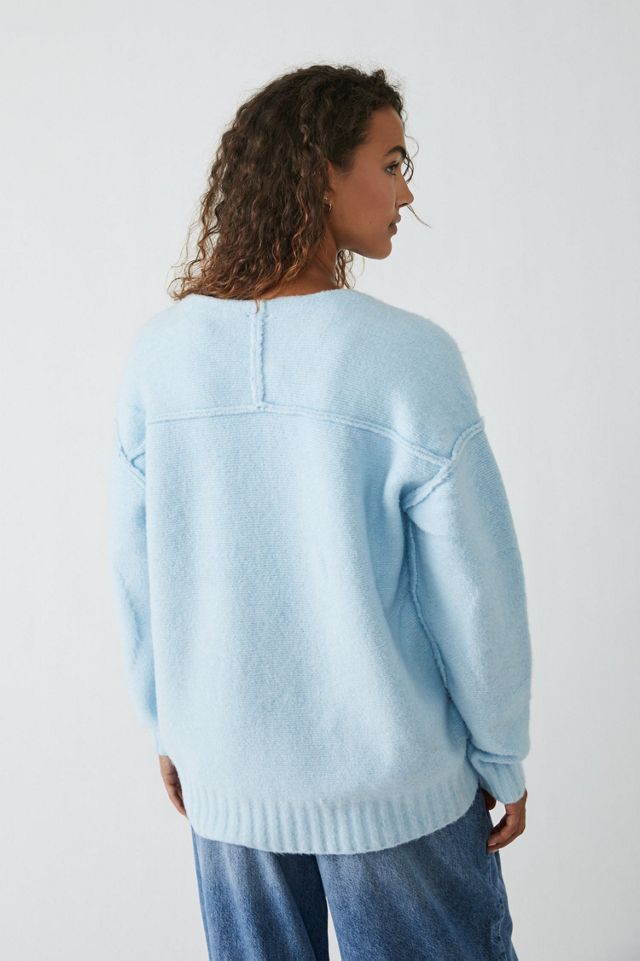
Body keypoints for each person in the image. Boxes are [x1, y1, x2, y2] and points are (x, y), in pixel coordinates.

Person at [110, 64, 532, 961]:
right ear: (321, 174)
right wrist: (501, 752)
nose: (406, 192)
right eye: (392, 162)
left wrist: (170, 729)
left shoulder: (161, 359)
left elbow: (138, 575)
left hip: (229, 785)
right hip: (396, 791)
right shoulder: (408, 358)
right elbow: (475, 589)